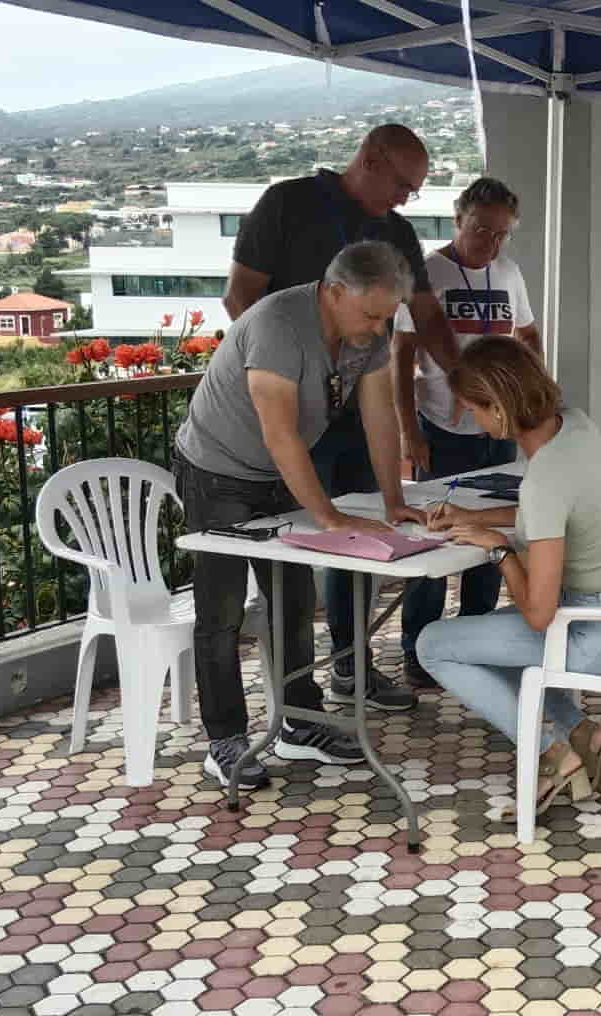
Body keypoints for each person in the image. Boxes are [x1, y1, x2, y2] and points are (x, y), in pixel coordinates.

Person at [220, 124, 461, 710]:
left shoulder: (396, 231)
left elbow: (426, 318)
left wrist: (470, 379)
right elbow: (239, 298)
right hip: (287, 420)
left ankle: (352, 668)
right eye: (404, 184)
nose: (407, 198)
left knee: (366, 547)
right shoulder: (289, 202)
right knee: (293, 568)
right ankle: (295, 704)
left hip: (356, 417)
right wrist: (297, 374)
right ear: (371, 160)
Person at [174, 241, 423, 791]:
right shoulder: (277, 326)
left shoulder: (366, 333)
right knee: (221, 612)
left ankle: (297, 722)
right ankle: (225, 738)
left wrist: (392, 499)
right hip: (218, 473)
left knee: (291, 601)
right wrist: (329, 518)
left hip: (276, 476)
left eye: (387, 316)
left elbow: (379, 413)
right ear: (334, 292)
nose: (379, 328)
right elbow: (280, 433)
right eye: (371, 314)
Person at [416, 337, 601, 815]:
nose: (469, 421)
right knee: (484, 641)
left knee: (434, 645)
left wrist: (499, 550)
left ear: (500, 408)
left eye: (473, 410)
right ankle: (586, 732)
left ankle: (551, 750)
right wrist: (475, 518)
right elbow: (550, 513)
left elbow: (539, 614)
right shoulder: (576, 427)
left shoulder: (545, 476)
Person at [393, 177, 540, 690]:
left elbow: (527, 334)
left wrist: (533, 398)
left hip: (498, 429)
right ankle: (418, 650)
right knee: (436, 539)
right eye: (482, 230)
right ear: (458, 221)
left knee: (489, 542)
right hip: (443, 427)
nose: (491, 243)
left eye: (502, 234)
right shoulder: (429, 272)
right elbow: (402, 356)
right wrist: (408, 431)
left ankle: (473, 642)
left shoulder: (508, 271)